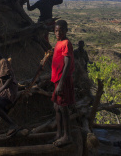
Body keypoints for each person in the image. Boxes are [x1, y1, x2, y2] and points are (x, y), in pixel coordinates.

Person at [51, 19, 75, 147]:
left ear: (66, 30)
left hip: (63, 80)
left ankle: (67, 136)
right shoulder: (58, 42)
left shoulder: (66, 43)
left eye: (61, 30)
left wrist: (61, 83)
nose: (58, 33)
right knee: (57, 106)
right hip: (58, 79)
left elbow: (67, 64)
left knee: (63, 106)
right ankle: (59, 133)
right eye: (56, 30)